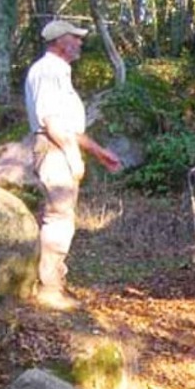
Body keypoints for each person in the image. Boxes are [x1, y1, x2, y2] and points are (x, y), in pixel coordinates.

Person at [24, 19, 122, 311]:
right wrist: (72, 155)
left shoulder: (59, 72)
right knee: (59, 217)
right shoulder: (47, 71)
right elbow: (52, 122)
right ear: (59, 41)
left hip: (58, 146)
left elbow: (69, 127)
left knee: (62, 216)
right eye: (74, 38)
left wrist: (98, 151)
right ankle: (50, 289)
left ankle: (55, 281)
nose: (80, 43)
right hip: (53, 149)